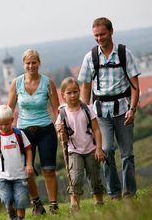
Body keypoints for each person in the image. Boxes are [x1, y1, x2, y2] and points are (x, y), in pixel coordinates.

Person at [78, 17, 141, 200]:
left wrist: (133, 108)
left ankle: (129, 192)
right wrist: (87, 112)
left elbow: (135, 85)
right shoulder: (90, 57)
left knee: (127, 154)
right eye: (96, 35)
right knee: (106, 151)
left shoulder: (124, 53)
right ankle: (114, 193)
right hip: (100, 113)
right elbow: (86, 86)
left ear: (111, 32)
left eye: (102, 34)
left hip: (123, 110)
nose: (99, 38)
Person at [7, 49, 60, 215]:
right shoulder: (16, 83)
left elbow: (57, 109)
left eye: (34, 62)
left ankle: (53, 205)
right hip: (24, 133)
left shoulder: (48, 83)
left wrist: (61, 126)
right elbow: (9, 109)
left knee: (49, 169)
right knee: (27, 170)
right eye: (28, 63)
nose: (31, 66)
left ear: (39, 63)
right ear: (23, 64)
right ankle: (36, 204)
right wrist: (4, 130)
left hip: (46, 130)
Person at [56, 77, 105, 212]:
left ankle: (99, 202)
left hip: (91, 149)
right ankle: (75, 205)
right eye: (69, 93)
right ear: (63, 95)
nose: (73, 95)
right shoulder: (62, 114)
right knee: (75, 178)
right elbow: (63, 139)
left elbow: (96, 129)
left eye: (75, 92)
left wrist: (99, 148)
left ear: (79, 91)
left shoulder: (87, 109)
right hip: (74, 150)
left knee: (94, 177)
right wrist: (61, 132)